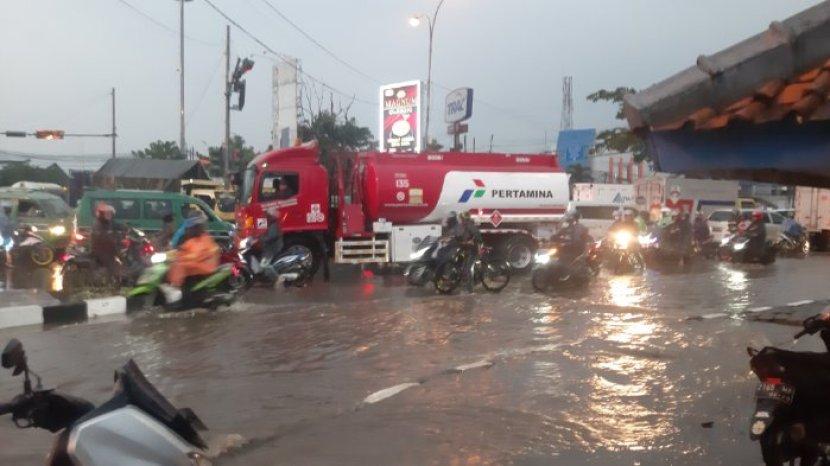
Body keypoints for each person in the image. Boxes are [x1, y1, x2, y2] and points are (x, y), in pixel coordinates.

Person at [160, 215, 220, 304]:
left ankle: (176, 291)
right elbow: (181, 250)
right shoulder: (192, 240)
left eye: (192, 228)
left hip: (204, 267)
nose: (190, 231)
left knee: (180, 265)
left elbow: (195, 255)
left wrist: (181, 257)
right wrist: (168, 254)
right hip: (195, 268)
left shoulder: (204, 239)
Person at [90, 202, 126, 278]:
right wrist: (113, 238)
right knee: (111, 263)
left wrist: (126, 228)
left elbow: (117, 226)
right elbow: (102, 236)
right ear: (102, 214)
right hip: (101, 249)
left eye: (110, 214)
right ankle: (112, 279)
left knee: (122, 255)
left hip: (110, 247)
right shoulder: (98, 224)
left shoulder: (108, 222)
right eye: (107, 214)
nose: (109, 215)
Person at [454, 211, 482, 292]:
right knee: (462, 265)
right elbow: (459, 237)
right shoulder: (464, 226)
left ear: (464, 219)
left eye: (461, 219)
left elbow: (478, 239)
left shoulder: (471, 226)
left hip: (473, 250)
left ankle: (470, 290)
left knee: (468, 268)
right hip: (466, 249)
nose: (460, 220)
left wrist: (479, 249)